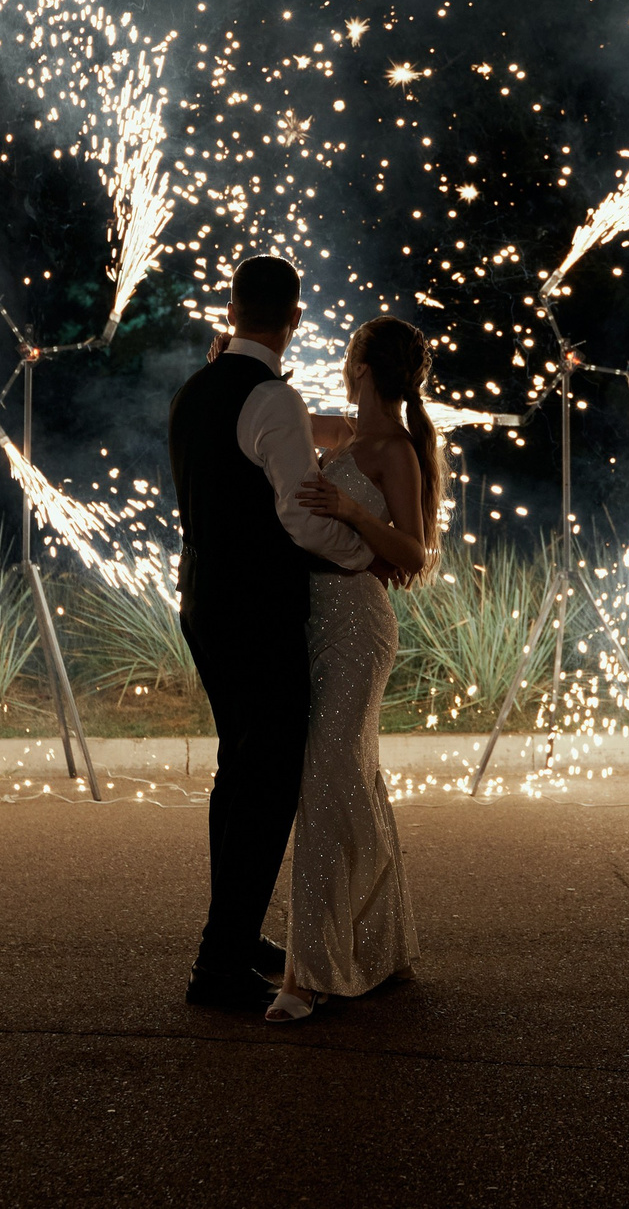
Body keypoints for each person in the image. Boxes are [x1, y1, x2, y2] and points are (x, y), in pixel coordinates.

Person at [167, 256, 377, 1011]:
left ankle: (236, 935)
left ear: (230, 308)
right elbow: (296, 510)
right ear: (293, 318)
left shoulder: (197, 390)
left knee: (241, 773)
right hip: (255, 608)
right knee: (267, 782)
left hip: (202, 598)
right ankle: (217, 966)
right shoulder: (272, 396)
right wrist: (365, 552)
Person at [263, 315, 437, 1022]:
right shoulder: (347, 435)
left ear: (363, 367)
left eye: (348, 353)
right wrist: (250, 373)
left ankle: (309, 974)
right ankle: (381, 942)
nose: (341, 362)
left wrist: (349, 511)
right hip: (314, 623)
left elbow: (418, 550)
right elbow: (294, 421)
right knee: (352, 780)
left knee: (325, 780)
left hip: (360, 627)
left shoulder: (395, 448)